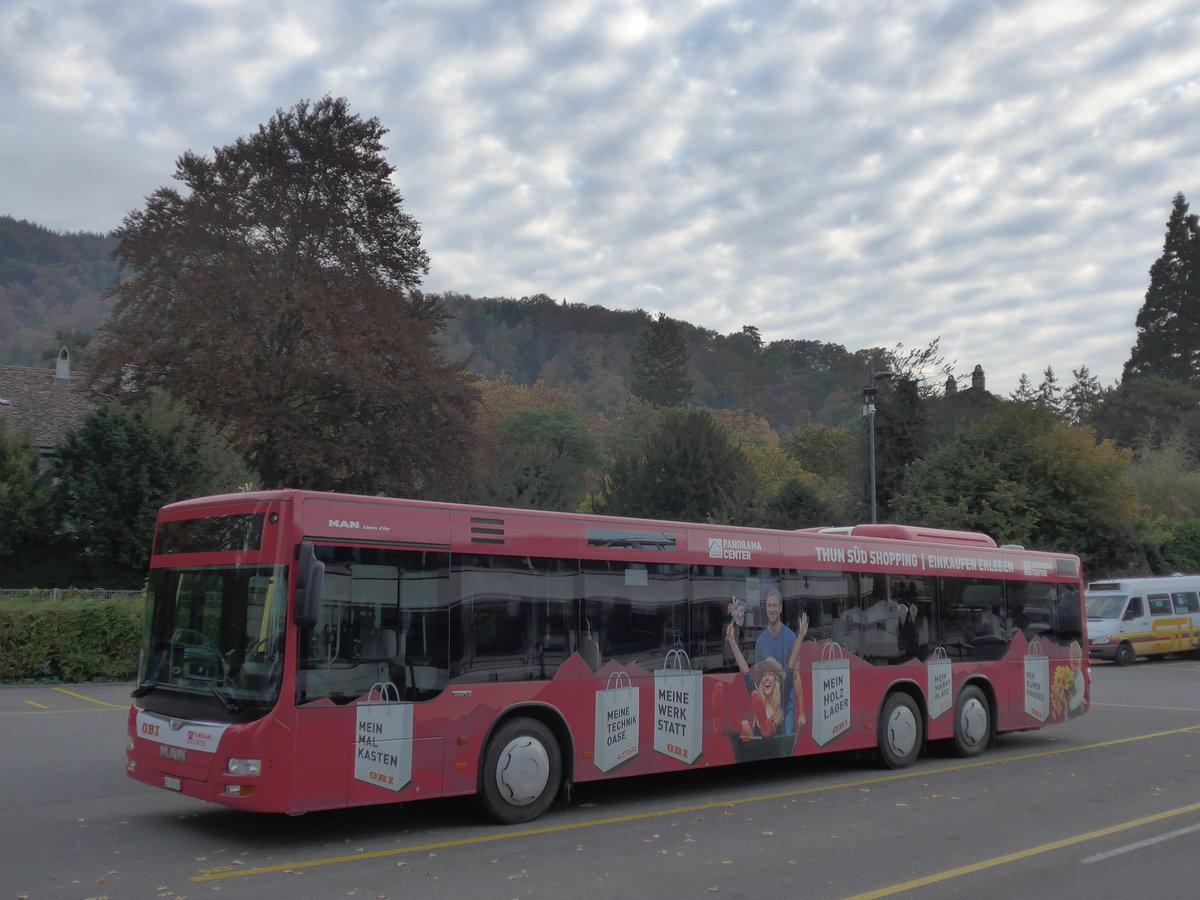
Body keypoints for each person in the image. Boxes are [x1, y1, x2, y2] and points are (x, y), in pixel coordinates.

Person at [721, 613, 809, 738]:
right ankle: (726, 721)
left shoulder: (782, 701)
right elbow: (745, 671)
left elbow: (791, 667)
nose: (766, 678)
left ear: (776, 680)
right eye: (764, 675)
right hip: (759, 752)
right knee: (745, 725)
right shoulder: (757, 698)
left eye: (770, 674)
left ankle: (764, 727)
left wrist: (800, 637)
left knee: (751, 726)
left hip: (777, 752)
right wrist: (732, 642)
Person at [755, 587, 796, 671]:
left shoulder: (791, 638)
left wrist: (777, 666)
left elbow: (796, 674)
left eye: (775, 606)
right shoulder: (760, 641)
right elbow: (758, 675)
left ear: (780, 608)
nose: (772, 609)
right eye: (769, 606)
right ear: (766, 608)